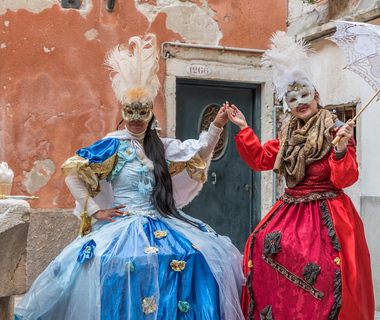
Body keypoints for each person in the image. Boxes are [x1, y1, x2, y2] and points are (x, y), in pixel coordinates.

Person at [14, 34, 244, 320]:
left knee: (203, 258)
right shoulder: (112, 144)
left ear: (150, 114)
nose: (136, 118)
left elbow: (197, 153)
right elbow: (73, 172)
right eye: (130, 112)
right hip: (121, 227)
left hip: (162, 222)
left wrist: (217, 125)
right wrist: (97, 211)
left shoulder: (161, 146)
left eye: (142, 112)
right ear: (123, 112)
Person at [225, 31, 374, 320]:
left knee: (326, 274)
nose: (300, 102)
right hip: (290, 210)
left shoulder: (336, 130)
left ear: (317, 95)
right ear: (287, 105)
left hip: (327, 214)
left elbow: (345, 179)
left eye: (305, 95)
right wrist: (243, 127)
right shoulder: (289, 134)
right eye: (292, 99)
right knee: (260, 245)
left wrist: (341, 148)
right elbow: (262, 159)